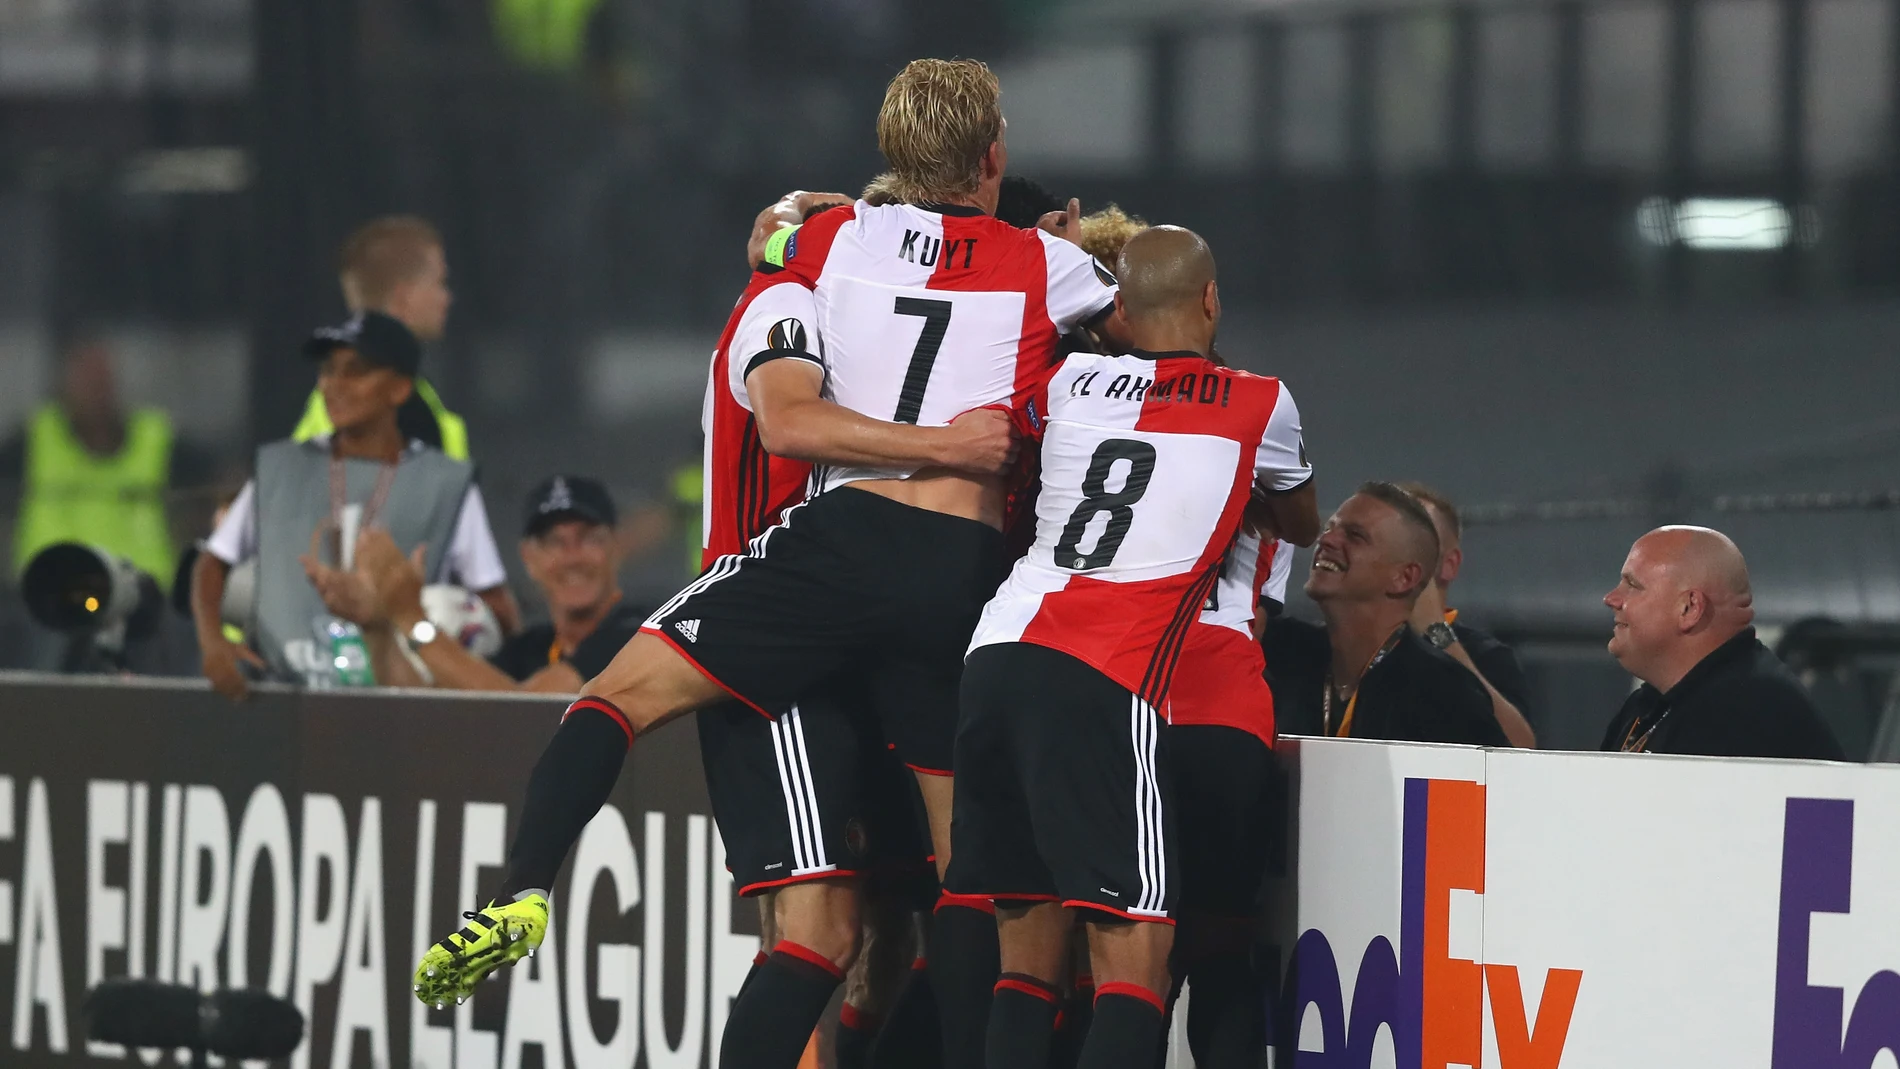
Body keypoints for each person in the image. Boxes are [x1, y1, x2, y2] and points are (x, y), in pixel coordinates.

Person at [411, 59, 1123, 1069]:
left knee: (614, 701)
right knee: (964, 875)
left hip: (834, 555)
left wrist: (790, 218)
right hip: (959, 575)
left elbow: (779, 253)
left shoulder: (827, 245)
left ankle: (522, 888)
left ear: (888, 154)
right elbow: (1139, 315)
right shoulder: (1046, 267)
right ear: (994, 156)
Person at [948, 225, 1315, 1069]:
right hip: (1118, 680)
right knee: (1145, 966)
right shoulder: (1260, 402)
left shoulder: (1066, 382)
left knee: (1027, 966)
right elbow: (1300, 520)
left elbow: (1016, 438)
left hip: (998, 653)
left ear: (1120, 308)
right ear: (1211, 299)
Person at [191, 312, 511, 699]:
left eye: (355, 371)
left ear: (399, 388)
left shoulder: (445, 484)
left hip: (396, 707)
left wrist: (459, 649)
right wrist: (213, 643)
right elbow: (212, 563)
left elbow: (497, 610)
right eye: (328, 370)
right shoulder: (279, 468)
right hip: (282, 701)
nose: (334, 385)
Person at [314, 475, 645, 692]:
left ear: (616, 547)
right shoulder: (529, 649)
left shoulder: (638, 634)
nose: (572, 557)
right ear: (529, 558)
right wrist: (380, 628)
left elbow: (525, 710)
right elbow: (427, 711)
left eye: (589, 539)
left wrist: (412, 618)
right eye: (555, 542)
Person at [1263, 483, 1509, 747]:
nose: (1327, 540)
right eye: (1329, 528)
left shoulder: (1442, 690)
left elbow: (1499, 770)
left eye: (1355, 536)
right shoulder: (1284, 651)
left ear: (1404, 578)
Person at [1599, 525, 1843, 760]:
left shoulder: (1748, 713)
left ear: (1689, 608)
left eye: (1633, 585)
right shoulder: (1650, 704)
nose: (1611, 599)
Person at [5, 333, 215, 587]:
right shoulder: (33, 441)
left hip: (142, 595)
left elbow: (215, 487)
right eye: (86, 382)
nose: (96, 393)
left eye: (102, 382)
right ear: (64, 387)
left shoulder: (158, 442)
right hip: (47, 597)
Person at [291, 216, 472, 460]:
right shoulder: (391, 405)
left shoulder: (334, 397)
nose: (447, 297)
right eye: (440, 283)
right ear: (404, 298)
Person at [1398, 482, 1537, 748]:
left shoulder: (1487, 656)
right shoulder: (1340, 647)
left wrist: (1437, 632)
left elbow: (1521, 749)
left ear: (1449, 565)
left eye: (1413, 539)